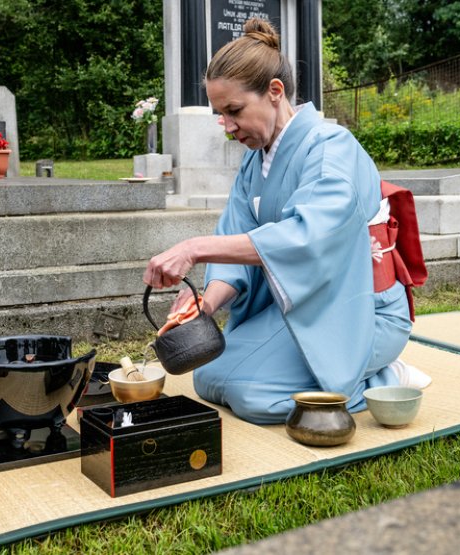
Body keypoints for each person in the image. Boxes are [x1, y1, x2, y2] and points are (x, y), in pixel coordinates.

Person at [143, 18, 428, 425]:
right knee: (209, 376)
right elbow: (233, 247)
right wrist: (203, 305)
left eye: (234, 111)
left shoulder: (332, 149)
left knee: (254, 396)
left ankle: (378, 375)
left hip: (359, 309)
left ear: (275, 92)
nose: (226, 126)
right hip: (297, 304)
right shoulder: (253, 164)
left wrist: (192, 248)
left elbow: (305, 238)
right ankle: (348, 375)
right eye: (220, 114)